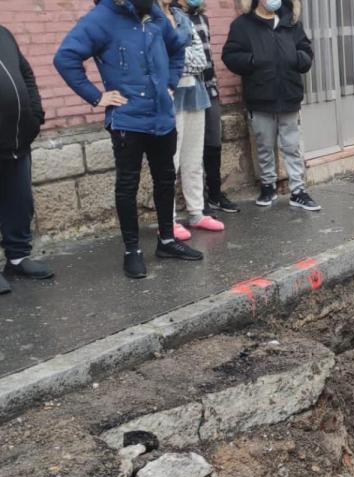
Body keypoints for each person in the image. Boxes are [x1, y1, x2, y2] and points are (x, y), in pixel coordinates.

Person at [55, 0, 203, 279]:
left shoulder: (155, 13)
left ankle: (168, 241)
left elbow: (176, 49)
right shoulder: (101, 18)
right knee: (127, 184)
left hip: (162, 118)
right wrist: (97, 97)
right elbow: (65, 57)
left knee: (165, 178)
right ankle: (132, 250)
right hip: (127, 121)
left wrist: (171, 84)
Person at [222, 0, 318, 211]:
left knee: (292, 147)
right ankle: (268, 186)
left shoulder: (291, 22)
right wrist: (254, 60)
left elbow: (306, 50)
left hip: (289, 95)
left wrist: (297, 57)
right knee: (264, 145)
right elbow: (230, 55)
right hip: (260, 96)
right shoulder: (242, 25)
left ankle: (298, 191)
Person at [162, 0, 223, 238]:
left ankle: (196, 212)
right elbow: (158, 59)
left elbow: (201, 60)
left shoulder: (182, 17)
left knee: (193, 158)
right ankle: (168, 220)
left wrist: (177, 56)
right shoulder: (151, 19)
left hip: (194, 94)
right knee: (170, 161)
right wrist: (179, 57)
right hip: (169, 97)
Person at [0, 25, 51, 295]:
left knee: (20, 202)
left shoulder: (4, 34)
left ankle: (17, 258)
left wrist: (35, 114)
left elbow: (26, 74)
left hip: (19, 139)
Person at [185, 0, 238, 214]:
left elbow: (208, 59)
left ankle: (215, 194)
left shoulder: (202, 18)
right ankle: (197, 202)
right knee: (192, 147)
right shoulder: (175, 19)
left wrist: (214, 85)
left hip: (209, 89)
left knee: (214, 142)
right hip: (188, 90)